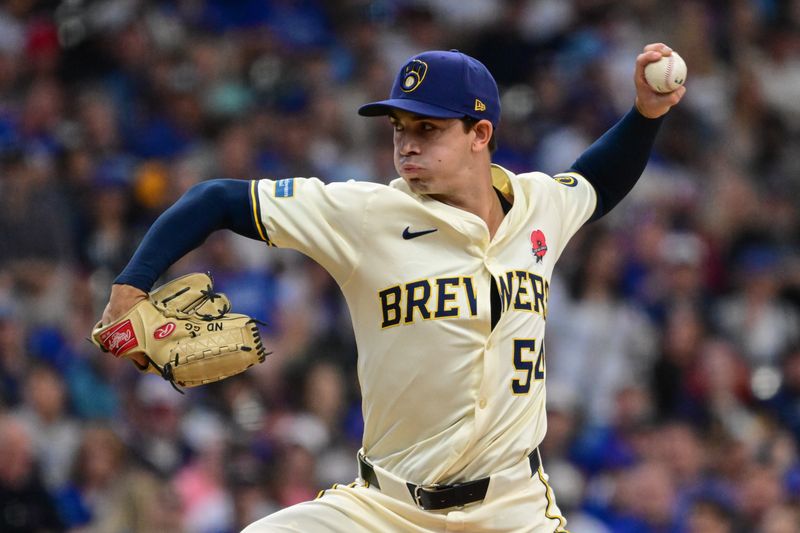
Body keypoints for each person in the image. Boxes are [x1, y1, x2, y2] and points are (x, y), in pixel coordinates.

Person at [98, 44, 684, 532]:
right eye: (400, 128)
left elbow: (595, 182)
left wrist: (645, 115)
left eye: (427, 129)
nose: (406, 143)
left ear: (480, 133)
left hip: (513, 510)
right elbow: (216, 200)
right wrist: (131, 286)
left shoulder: (539, 206)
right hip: (386, 509)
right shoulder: (365, 214)